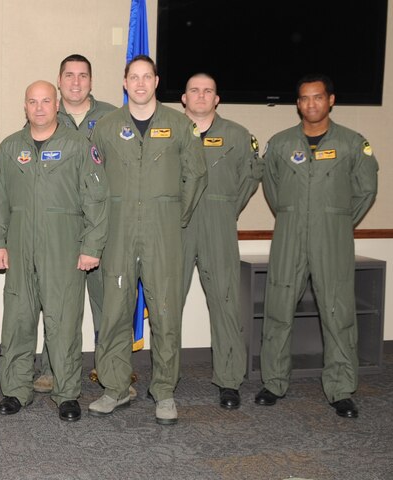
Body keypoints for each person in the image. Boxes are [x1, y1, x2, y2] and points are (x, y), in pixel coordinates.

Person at [90, 55, 207, 425]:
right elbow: (93, 181)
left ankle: (165, 392)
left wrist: (175, 216)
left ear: (157, 82)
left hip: (162, 233)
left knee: (166, 312)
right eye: (133, 77)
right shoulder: (107, 127)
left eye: (147, 77)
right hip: (119, 232)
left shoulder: (178, 125)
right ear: (124, 82)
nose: (140, 83)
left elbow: (196, 176)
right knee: (114, 312)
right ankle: (114, 387)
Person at [255, 74, 378, 418]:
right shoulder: (280, 144)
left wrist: (335, 220)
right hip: (289, 235)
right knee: (278, 309)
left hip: (333, 239)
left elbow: (366, 190)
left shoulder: (354, 143)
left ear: (331, 100)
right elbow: (273, 190)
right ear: (298, 104)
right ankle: (274, 382)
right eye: (305, 98)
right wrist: (297, 217)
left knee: (338, 313)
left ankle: (340, 389)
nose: (311, 104)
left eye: (318, 97)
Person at [0, 80, 107, 421]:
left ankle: (67, 393)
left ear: (56, 104)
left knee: (64, 323)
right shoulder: (9, 148)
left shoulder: (78, 146)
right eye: (32, 102)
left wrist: (91, 246)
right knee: (18, 321)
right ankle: (14, 390)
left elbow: (96, 201)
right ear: (24, 106)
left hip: (64, 249)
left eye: (45, 101)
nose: (39, 107)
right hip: (20, 247)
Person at [33, 54, 116, 394]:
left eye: (83, 76)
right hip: (59, 229)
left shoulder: (111, 118)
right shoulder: (46, 115)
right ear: (59, 80)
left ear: (91, 82)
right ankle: (52, 369)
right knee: (57, 304)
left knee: (107, 304)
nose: (76, 82)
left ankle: (111, 371)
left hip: (100, 225)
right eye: (69, 75)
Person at [180, 73, 263, 409]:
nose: (201, 96)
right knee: (167, 304)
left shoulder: (238, 135)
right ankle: (165, 380)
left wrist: (227, 208)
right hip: (177, 226)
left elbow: (251, 175)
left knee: (226, 303)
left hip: (219, 224)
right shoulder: (168, 131)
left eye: (208, 91)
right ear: (183, 98)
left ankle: (229, 380)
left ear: (217, 99)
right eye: (194, 90)